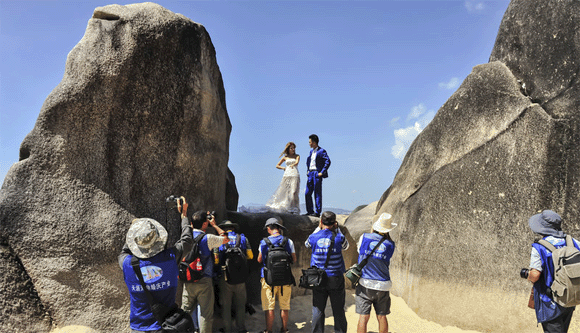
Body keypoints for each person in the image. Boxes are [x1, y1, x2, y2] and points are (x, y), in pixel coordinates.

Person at [119, 199, 193, 333]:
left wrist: (134, 229)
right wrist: (184, 216)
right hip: (165, 326)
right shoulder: (170, 258)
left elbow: (124, 251)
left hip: (139, 328)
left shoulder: (127, 264)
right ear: (158, 238)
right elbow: (187, 241)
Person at [526, 209, 580, 333]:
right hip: (570, 298)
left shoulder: (539, 247)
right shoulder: (572, 242)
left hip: (549, 301)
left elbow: (535, 276)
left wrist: (526, 274)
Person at [181, 210, 229, 333]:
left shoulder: (186, 236)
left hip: (188, 279)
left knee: (185, 312)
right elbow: (225, 239)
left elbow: (185, 224)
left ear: (192, 224)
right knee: (205, 314)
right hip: (204, 280)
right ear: (205, 224)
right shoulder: (208, 238)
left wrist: (184, 212)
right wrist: (214, 225)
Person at [304, 211, 348, 333]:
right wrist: (337, 229)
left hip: (318, 278)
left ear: (321, 222)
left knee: (318, 309)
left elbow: (306, 244)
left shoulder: (313, 237)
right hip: (336, 277)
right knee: (338, 309)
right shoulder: (339, 237)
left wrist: (318, 228)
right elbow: (346, 246)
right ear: (334, 223)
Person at [355, 213, 397, 333]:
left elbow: (360, 251)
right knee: (382, 316)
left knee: (363, 316)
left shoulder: (365, 237)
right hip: (383, 285)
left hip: (365, 283)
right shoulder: (391, 245)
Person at [257, 218, 297, 333]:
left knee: (269, 307)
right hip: (285, 278)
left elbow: (259, 259)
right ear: (279, 228)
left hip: (268, 279)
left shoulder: (264, 242)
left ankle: (268, 331)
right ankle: (284, 329)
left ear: (269, 229)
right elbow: (293, 259)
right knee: (284, 307)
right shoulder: (288, 241)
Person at [217, 220, 254, 333]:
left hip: (225, 277)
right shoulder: (243, 238)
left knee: (226, 306)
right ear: (233, 228)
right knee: (240, 305)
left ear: (224, 229)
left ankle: (227, 329)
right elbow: (250, 256)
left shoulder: (220, 239)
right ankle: (241, 328)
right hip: (240, 277)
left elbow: (216, 259)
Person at [265, 142, 301, 214]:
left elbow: (297, 162)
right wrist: (284, 168)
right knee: (286, 192)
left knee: (294, 192)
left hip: (294, 174)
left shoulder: (297, 156)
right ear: (288, 149)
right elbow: (277, 165)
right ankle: (287, 207)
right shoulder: (285, 157)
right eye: (291, 148)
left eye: (294, 148)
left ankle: (294, 208)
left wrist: (293, 164)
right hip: (286, 175)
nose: (293, 149)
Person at [304, 134, 331, 217]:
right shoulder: (311, 151)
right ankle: (310, 211)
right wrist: (308, 170)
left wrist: (322, 172)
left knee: (317, 193)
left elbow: (328, 161)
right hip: (310, 173)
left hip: (317, 173)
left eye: (310, 142)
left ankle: (317, 212)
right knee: (307, 193)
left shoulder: (321, 151)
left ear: (314, 142)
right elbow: (309, 162)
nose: (309, 144)